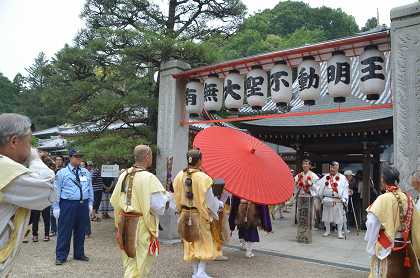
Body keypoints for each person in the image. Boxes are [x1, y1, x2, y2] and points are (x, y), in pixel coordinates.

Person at [0, 113, 56, 277]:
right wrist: (34, 158)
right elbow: (48, 191)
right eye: (29, 142)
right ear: (14, 141)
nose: (31, 147)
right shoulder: (4, 168)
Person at [110, 145, 169, 278]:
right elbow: (158, 206)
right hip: (140, 224)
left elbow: (114, 200)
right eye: (151, 156)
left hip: (124, 220)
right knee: (140, 262)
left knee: (131, 259)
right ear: (147, 156)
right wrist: (167, 198)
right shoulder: (149, 178)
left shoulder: (124, 174)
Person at [173, 149, 223, 278]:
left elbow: (176, 197)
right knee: (204, 242)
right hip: (199, 215)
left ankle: (195, 271)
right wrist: (218, 206)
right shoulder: (204, 178)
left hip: (185, 213)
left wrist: (179, 210)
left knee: (190, 241)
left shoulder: (179, 176)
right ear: (200, 160)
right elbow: (210, 201)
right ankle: (200, 271)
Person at [365, 165, 420, 277]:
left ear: (383, 180)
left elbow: (371, 223)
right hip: (405, 246)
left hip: (386, 246)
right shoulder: (408, 198)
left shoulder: (382, 199)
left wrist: (371, 244)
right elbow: (416, 224)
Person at [53, 149, 94, 265]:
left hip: (83, 204)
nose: (79, 159)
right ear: (70, 158)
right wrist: (56, 206)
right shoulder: (62, 173)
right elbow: (56, 190)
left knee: (81, 230)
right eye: (76, 157)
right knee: (65, 231)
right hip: (68, 204)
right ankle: (61, 256)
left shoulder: (85, 172)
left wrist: (90, 203)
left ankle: (79, 253)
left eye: (80, 157)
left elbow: (89, 188)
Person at [317, 161, 349, 239]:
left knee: (339, 216)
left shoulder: (342, 177)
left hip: (338, 199)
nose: (332, 169)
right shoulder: (325, 177)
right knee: (326, 216)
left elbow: (345, 188)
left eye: (334, 167)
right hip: (327, 199)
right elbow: (319, 186)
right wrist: (320, 196)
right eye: (331, 167)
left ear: (338, 168)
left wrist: (344, 198)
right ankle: (327, 231)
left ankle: (339, 232)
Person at [29, 151, 56, 242]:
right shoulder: (33, 168)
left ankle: (46, 234)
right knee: (35, 218)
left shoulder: (49, 168)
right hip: (36, 196)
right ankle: (35, 234)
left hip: (45, 196)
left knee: (46, 217)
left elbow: (53, 167)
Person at [294, 159, 319, 243]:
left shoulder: (314, 176)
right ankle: (300, 234)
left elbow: (317, 188)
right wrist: (298, 184)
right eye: (304, 164)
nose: (305, 165)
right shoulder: (298, 175)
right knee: (300, 215)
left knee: (309, 216)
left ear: (310, 166)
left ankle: (307, 235)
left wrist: (310, 185)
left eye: (307, 164)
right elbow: (295, 186)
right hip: (301, 197)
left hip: (309, 197)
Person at [50, 155, 65, 237]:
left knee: (61, 213)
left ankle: (61, 230)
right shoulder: (51, 171)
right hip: (52, 194)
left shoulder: (64, 171)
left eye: (60, 160)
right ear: (54, 161)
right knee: (52, 213)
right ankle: (53, 230)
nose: (58, 161)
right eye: (57, 160)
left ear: (63, 161)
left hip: (62, 195)